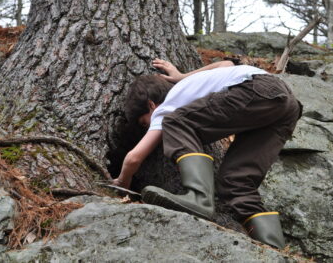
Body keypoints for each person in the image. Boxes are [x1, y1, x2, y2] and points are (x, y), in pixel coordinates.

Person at [113, 58, 302, 249]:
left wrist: (122, 182)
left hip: (257, 89)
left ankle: (199, 197)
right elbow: (226, 64)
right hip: (286, 106)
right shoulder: (191, 85)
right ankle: (276, 250)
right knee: (236, 182)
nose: (149, 128)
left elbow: (134, 157)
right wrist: (182, 76)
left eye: (144, 123)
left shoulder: (166, 107)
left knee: (175, 122)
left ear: (152, 105)